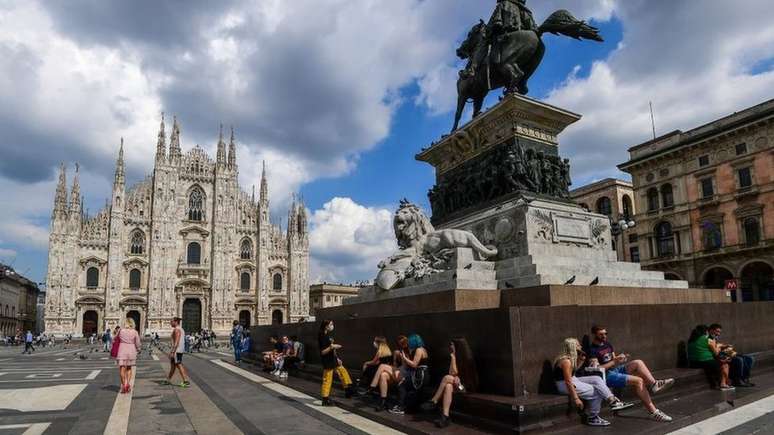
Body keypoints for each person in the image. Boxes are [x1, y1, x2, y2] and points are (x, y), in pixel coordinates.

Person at [586, 325, 673, 422]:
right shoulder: (592, 349)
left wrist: (621, 358)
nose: (604, 336)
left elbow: (614, 359)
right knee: (639, 381)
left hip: (614, 370)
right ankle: (654, 412)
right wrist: (615, 361)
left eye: (605, 333)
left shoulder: (607, 344)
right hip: (605, 376)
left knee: (638, 362)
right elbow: (597, 369)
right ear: (594, 335)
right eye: (601, 334)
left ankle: (654, 384)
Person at [555, 338, 635, 427]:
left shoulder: (570, 359)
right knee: (596, 391)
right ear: (572, 347)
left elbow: (572, 372)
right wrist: (576, 398)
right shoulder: (566, 361)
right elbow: (568, 381)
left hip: (573, 379)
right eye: (578, 345)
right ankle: (593, 417)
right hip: (563, 385)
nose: (580, 346)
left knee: (596, 379)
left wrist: (581, 360)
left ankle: (612, 401)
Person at [420, 339, 472, 428]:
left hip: (465, 386)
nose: (450, 347)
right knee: (448, 386)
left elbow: (467, 377)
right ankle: (445, 417)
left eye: (452, 345)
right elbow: (452, 373)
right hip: (457, 385)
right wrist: (453, 358)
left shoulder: (467, 358)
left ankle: (434, 401)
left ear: (458, 346)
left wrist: (459, 378)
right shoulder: (454, 356)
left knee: (446, 378)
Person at [391, 334, 430, 415]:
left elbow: (414, 364)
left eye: (410, 341)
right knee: (404, 383)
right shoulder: (423, 349)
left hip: (420, 375)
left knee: (402, 384)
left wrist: (404, 358)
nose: (408, 343)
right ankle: (404, 406)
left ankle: (401, 407)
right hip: (422, 373)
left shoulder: (419, 350)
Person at [318, 319, 354, 406]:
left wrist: (337, 358)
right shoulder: (322, 336)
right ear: (326, 325)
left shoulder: (328, 335)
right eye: (331, 324)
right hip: (327, 360)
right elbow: (323, 352)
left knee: (342, 371)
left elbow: (332, 349)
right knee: (327, 379)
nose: (332, 325)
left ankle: (348, 389)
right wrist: (332, 347)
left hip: (333, 359)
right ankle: (325, 399)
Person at [687, 325, 733, 390]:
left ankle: (721, 382)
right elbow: (716, 352)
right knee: (725, 364)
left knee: (719, 362)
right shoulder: (707, 338)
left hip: (693, 363)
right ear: (706, 331)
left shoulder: (691, 340)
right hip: (705, 361)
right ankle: (723, 384)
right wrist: (719, 346)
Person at [371, 335, 408, 411]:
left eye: (403, 343)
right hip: (398, 371)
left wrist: (403, 358)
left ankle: (372, 386)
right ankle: (383, 402)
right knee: (383, 375)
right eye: (400, 343)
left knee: (382, 366)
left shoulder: (410, 351)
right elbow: (395, 365)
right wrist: (394, 364)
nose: (402, 345)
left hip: (406, 373)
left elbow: (408, 366)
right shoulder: (397, 352)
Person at [115, 318, 141, 393]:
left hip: (122, 350)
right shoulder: (135, 332)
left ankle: (124, 385)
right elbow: (138, 342)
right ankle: (127, 384)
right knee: (129, 368)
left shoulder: (121, 331)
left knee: (122, 368)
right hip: (131, 350)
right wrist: (138, 349)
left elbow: (115, 338)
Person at [164, 317, 190, 387]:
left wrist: (172, 351)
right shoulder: (180, 329)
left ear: (176, 322)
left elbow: (177, 342)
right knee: (173, 366)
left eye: (171, 321)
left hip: (177, 350)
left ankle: (186, 381)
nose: (170, 323)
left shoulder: (177, 330)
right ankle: (168, 380)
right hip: (178, 350)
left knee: (179, 364)